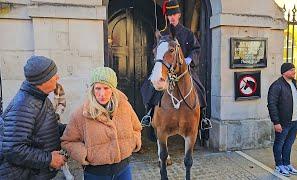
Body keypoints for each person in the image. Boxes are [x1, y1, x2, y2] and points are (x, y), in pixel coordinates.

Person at [140, 0, 212, 138]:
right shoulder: (162, 34)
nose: (172, 17)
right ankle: (149, 115)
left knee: (200, 89)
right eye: (169, 14)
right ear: (166, 16)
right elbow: (154, 52)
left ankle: (202, 119)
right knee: (148, 87)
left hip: (185, 70)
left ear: (179, 15)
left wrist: (189, 59)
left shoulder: (188, 33)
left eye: (174, 14)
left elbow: (196, 49)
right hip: (166, 70)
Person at [61, 67, 142, 180]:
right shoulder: (81, 114)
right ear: (92, 89)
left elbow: (137, 128)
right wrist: (84, 154)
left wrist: (134, 141)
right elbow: (68, 141)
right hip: (96, 174)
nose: (102, 93)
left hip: (124, 169)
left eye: (106, 88)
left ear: (113, 89)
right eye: (97, 88)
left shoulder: (125, 106)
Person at [0, 56, 67, 179]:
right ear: (43, 80)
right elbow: (13, 149)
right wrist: (49, 159)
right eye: (54, 75)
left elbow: (45, 128)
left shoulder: (40, 98)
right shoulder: (23, 106)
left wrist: (72, 129)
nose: (58, 78)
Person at [267, 62, 297, 177]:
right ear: (284, 72)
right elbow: (272, 105)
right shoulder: (276, 85)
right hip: (283, 122)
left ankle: (287, 164)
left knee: (288, 144)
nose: (294, 71)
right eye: (291, 70)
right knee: (279, 144)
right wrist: (276, 122)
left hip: (294, 121)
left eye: (294, 69)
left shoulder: (295, 83)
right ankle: (279, 165)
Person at [48, 83, 74, 180]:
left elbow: (62, 102)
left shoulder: (57, 87)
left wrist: (57, 114)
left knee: (60, 146)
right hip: (41, 125)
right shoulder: (37, 88)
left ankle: (65, 169)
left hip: (55, 123)